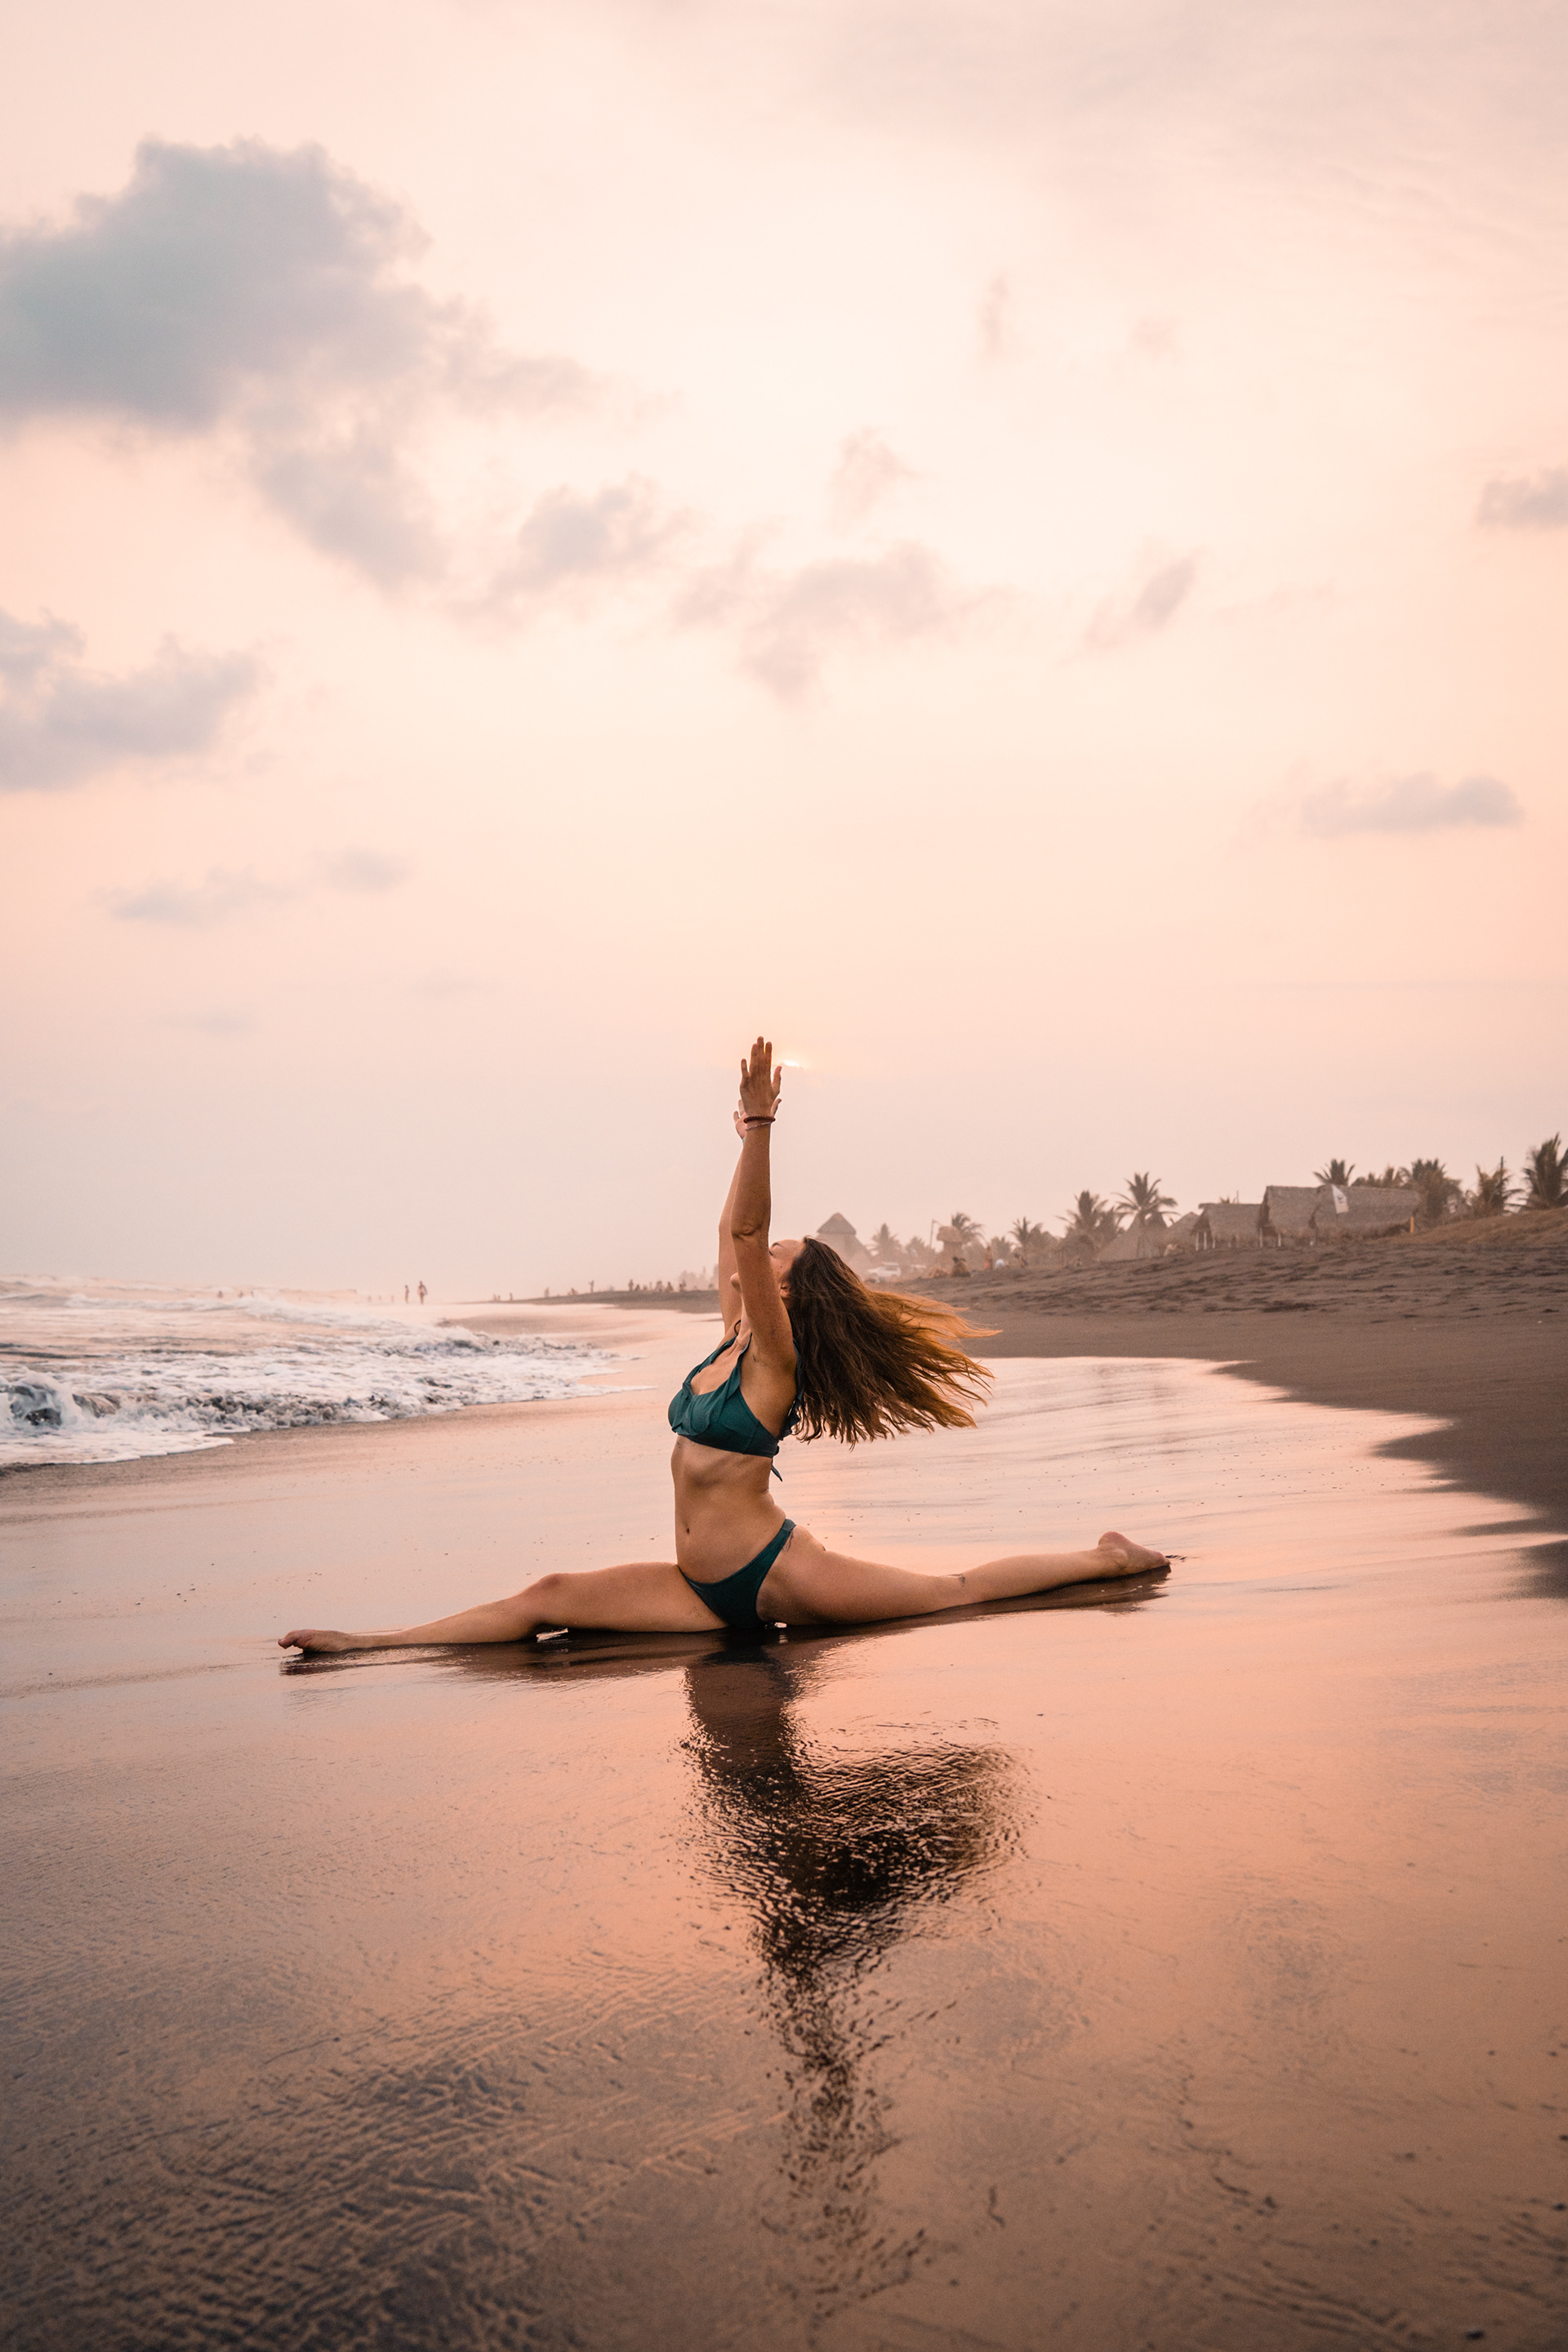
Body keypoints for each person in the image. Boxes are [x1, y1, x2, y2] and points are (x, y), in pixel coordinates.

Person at [280, 1038, 1166, 1655]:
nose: (762, 1255)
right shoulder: (732, 1337)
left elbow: (748, 1231)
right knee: (544, 1596)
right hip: (698, 1587)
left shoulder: (773, 1355)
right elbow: (730, 1229)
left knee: (953, 1593)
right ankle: (369, 1642)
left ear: (790, 1285)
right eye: (772, 1248)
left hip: (776, 1575)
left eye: (780, 1255)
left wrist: (768, 1129)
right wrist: (744, 1143)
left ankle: (1108, 1559)